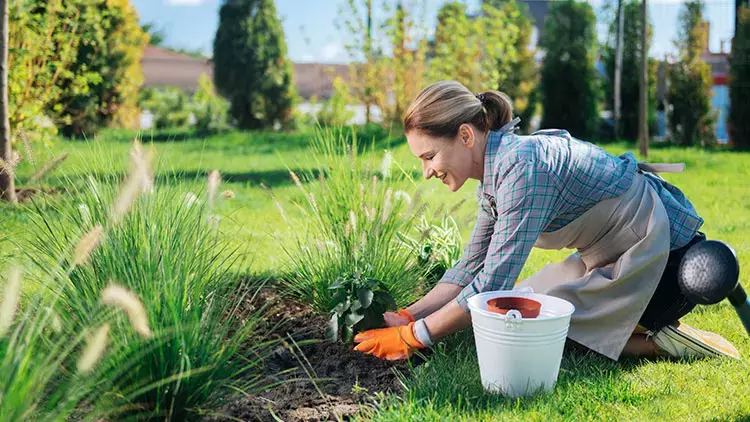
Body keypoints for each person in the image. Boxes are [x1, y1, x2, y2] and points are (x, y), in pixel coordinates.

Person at [352, 80, 741, 362]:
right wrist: (409, 314)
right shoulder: (494, 176)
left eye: (429, 157)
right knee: (520, 314)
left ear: (466, 136)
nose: (426, 171)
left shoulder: (521, 170)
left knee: (539, 329)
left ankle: (667, 343)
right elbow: (469, 267)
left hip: (668, 264)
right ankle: (635, 328)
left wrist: (414, 337)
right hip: (618, 254)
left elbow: (490, 285)